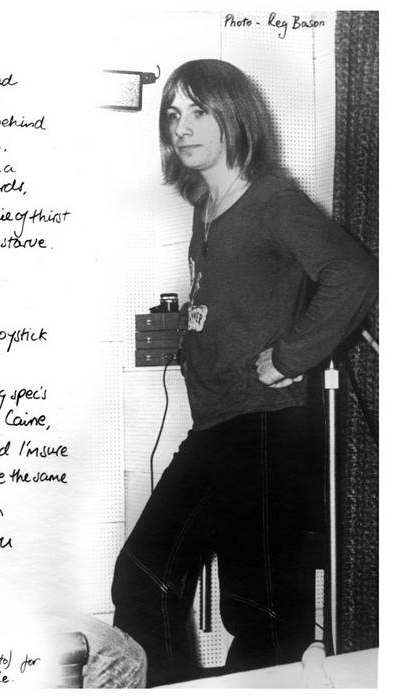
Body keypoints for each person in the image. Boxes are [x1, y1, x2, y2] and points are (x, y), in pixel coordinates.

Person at [111, 59, 377, 687]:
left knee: (255, 612)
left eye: (199, 111)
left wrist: (290, 356)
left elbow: (353, 272)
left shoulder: (271, 199)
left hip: (265, 429)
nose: (181, 127)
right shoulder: (207, 206)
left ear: (235, 116)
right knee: (159, 582)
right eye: (173, 114)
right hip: (220, 426)